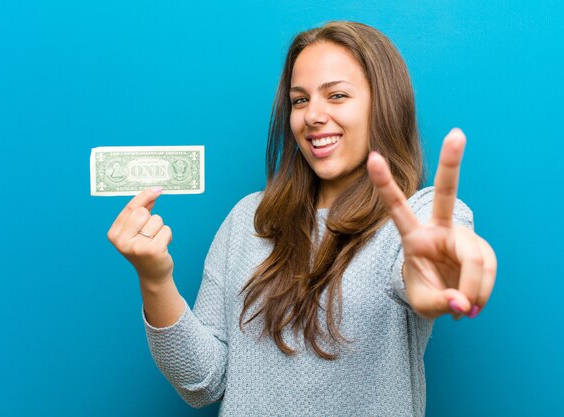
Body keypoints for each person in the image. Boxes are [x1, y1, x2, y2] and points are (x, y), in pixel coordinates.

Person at [107, 21, 497, 416]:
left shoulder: (415, 217)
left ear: (384, 104)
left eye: (338, 95)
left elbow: (437, 257)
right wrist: (154, 278)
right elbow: (203, 382)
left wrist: (441, 267)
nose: (313, 115)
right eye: (299, 100)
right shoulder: (248, 219)